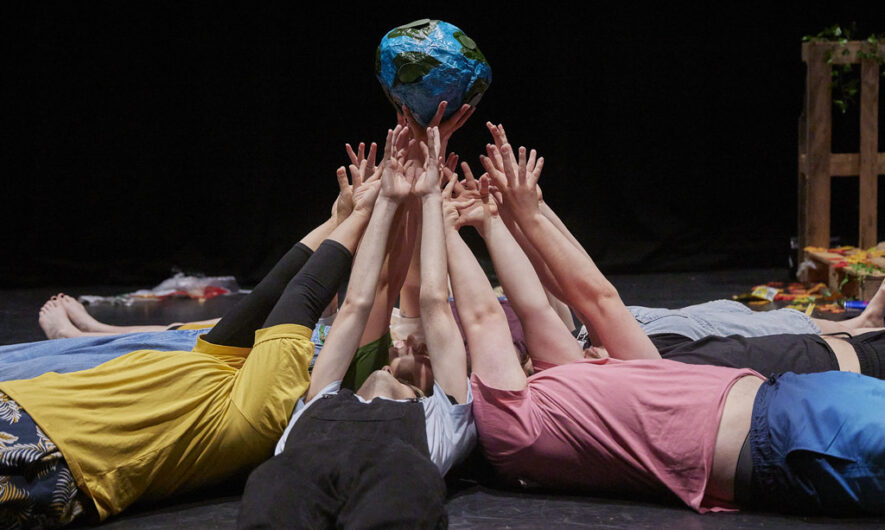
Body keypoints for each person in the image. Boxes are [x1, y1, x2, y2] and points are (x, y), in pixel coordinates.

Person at [459, 128, 885, 516]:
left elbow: (540, 304)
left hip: (792, 399)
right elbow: (486, 316)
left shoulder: (564, 378)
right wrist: (439, 213)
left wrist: (495, 219)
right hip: (783, 434)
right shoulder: (517, 427)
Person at [0, 132, 394, 527]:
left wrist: (366, 214)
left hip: (42, 453)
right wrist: (339, 219)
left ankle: (87, 334)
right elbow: (269, 296)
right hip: (19, 404)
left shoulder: (254, 415)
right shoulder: (221, 370)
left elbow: (306, 296)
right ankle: (89, 335)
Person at [238, 127, 475, 528]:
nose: (389, 362)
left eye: (417, 359)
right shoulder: (325, 398)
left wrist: (433, 197)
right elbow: (355, 306)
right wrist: (388, 199)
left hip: (395, 473)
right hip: (298, 472)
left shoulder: (443, 419)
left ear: (429, 388)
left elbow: (435, 302)